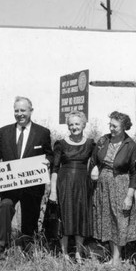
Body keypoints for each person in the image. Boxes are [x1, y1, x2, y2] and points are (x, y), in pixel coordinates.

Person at [0, 96, 53, 260]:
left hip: (32, 186)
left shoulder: (42, 132)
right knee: (5, 207)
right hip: (10, 184)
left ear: (31, 111)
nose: (20, 114)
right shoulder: (4, 132)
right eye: (16, 110)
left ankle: (28, 246)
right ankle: (0, 245)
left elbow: (50, 155)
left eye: (23, 110)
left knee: (30, 217)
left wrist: (48, 161)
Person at [90, 111, 136, 266]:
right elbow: (93, 159)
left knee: (119, 221)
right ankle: (113, 257)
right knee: (108, 220)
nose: (111, 128)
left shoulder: (131, 145)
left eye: (115, 126)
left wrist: (129, 196)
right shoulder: (103, 140)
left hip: (121, 186)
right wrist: (95, 167)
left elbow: (134, 173)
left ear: (124, 127)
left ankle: (117, 259)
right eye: (110, 125)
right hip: (103, 186)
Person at [49, 111, 95, 262]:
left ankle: (78, 253)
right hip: (65, 183)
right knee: (65, 215)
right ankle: (64, 253)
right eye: (71, 124)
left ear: (83, 124)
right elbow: (55, 168)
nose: (74, 127)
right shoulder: (60, 144)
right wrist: (53, 191)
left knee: (80, 216)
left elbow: (96, 163)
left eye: (77, 124)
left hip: (83, 184)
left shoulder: (90, 144)